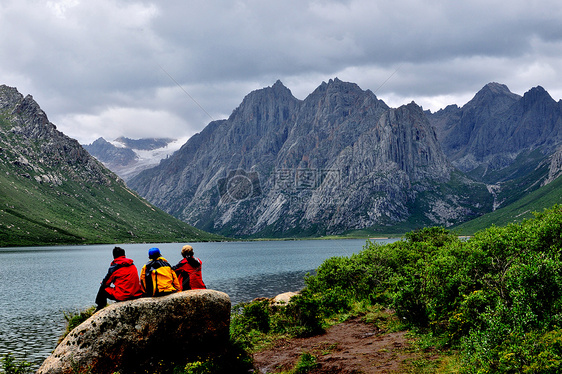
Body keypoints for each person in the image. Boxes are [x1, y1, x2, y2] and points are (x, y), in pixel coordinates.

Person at [95, 246, 142, 311]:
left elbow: (106, 283)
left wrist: (102, 283)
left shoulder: (114, 268)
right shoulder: (132, 264)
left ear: (114, 256)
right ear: (124, 255)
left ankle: (100, 307)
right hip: (136, 293)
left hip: (124, 296)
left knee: (103, 288)